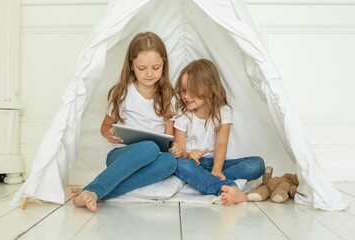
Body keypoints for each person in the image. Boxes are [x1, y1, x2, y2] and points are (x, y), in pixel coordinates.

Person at [70, 32, 182, 211]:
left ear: (164, 64)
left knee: (170, 162)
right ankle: (96, 189)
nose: (149, 73)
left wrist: (175, 147)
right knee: (149, 147)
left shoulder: (169, 97)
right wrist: (110, 134)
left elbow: (169, 137)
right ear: (131, 66)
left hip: (154, 158)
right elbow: (105, 126)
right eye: (142, 68)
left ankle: (93, 192)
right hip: (120, 155)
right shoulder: (122, 93)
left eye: (155, 67)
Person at [173, 59, 265, 207]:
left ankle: (207, 180)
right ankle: (229, 188)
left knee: (257, 164)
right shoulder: (182, 115)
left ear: (210, 90)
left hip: (217, 163)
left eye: (192, 90)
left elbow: (221, 143)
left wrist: (216, 169)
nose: (186, 96)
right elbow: (180, 149)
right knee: (178, 164)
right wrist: (189, 155)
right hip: (193, 163)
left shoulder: (223, 111)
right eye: (183, 90)